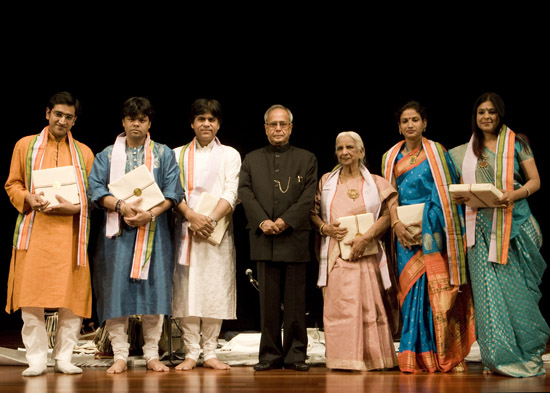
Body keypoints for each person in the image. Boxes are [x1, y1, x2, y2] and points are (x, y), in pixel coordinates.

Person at [449, 92, 549, 377]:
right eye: (481, 112)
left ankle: (526, 352)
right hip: (479, 230)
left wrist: (512, 195)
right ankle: (496, 356)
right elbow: (461, 188)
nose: (486, 117)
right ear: (475, 116)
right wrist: (461, 198)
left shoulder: (517, 145)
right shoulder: (462, 153)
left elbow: (535, 181)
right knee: (488, 294)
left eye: (491, 112)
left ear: (500, 114)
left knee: (520, 294)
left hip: (514, 225)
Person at [88, 97, 184, 374]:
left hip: (154, 233)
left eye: (142, 120)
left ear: (149, 123)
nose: (136, 124)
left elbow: (173, 193)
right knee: (116, 292)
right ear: (123, 122)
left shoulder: (164, 154)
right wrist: (120, 205)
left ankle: (152, 354)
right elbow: (95, 190)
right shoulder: (106, 155)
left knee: (154, 291)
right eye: (131, 119)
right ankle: (119, 354)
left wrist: (149, 214)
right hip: (116, 235)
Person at [381, 100, 476, 373]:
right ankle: (414, 355)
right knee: (410, 294)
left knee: (435, 296)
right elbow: (389, 196)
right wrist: (397, 224)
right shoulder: (390, 157)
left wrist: (425, 226)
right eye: (404, 121)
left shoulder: (438, 153)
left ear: (424, 124)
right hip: (402, 235)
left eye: (415, 120)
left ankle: (439, 353)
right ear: (399, 127)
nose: (410, 125)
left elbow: (445, 195)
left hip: (433, 234)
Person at [5, 91, 94, 376]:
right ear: (47, 113)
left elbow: (92, 196)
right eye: (58, 114)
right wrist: (27, 198)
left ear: (75, 120)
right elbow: (13, 185)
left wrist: (76, 206)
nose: (62, 120)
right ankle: (36, 359)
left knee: (72, 299)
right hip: (36, 233)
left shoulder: (84, 152)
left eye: (68, 117)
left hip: (70, 234)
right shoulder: (25, 146)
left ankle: (65, 357)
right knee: (31, 298)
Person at [309, 131, 398, 371]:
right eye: (340, 148)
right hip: (336, 254)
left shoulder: (376, 182)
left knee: (368, 307)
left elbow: (390, 214)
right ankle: (343, 359)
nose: (344, 152)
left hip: (366, 253)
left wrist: (366, 237)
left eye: (350, 147)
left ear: (361, 152)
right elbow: (312, 213)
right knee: (340, 308)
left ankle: (372, 358)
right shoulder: (327, 181)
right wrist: (326, 228)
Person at [238, 104, 317, 371]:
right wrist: (263, 221)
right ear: (266, 128)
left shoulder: (307, 159)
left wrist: (285, 221)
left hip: (294, 237)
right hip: (264, 237)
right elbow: (245, 193)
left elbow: (308, 197)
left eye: (283, 124)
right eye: (273, 124)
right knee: (267, 304)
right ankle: (269, 356)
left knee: (296, 302)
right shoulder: (251, 158)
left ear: (291, 127)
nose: (278, 129)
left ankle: (296, 355)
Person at [171, 99, 241, 371]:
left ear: (219, 124)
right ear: (192, 123)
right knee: (188, 292)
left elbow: (231, 192)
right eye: (201, 119)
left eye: (212, 119)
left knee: (213, 291)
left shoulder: (230, 155)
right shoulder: (176, 154)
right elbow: (172, 192)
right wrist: (191, 216)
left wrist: (209, 219)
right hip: (186, 230)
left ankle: (210, 351)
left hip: (216, 232)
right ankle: (191, 352)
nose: (206, 124)